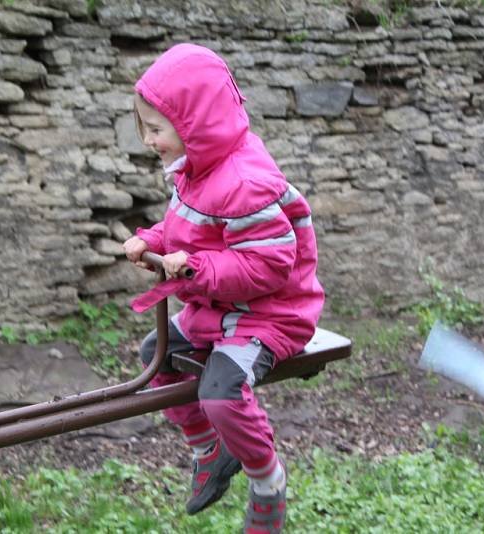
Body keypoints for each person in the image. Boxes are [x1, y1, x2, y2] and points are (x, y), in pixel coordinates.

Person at [122, 43, 324, 534]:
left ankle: (267, 483)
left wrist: (192, 269)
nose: (149, 141)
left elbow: (269, 266)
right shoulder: (197, 169)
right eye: (145, 128)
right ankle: (209, 449)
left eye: (155, 129)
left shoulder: (245, 182)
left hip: (270, 314)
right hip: (220, 308)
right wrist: (151, 239)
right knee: (158, 354)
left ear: (194, 123)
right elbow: (191, 230)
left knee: (222, 392)